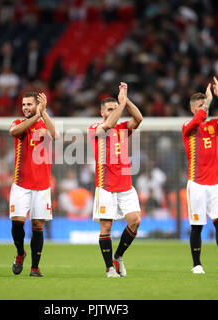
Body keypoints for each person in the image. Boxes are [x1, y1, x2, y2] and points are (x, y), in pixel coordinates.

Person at [182, 76, 218, 274]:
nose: (204, 108)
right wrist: (207, 101)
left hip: (217, 184)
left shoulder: (214, 126)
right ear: (193, 109)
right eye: (199, 106)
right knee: (197, 226)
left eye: (205, 105)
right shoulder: (187, 128)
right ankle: (196, 264)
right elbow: (198, 118)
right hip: (197, 184)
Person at [88, 82, 143, 278]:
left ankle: (118, 257)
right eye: (109, 109)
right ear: (101, 112)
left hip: (125, 185)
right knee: (106, 227)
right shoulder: (96, 128)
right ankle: (109, 268)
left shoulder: (123, 128)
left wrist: (126, 101)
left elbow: (139, 118)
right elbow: (109, 124)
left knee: (135, 221)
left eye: (114, 108)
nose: (112, 112)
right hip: (105, 186)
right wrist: (120, 105)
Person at [9, 91, 59, 277]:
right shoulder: (18, 124)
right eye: (24, 105)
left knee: (38, 225)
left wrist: (43, 113)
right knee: (17, 223)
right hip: (21, 184)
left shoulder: (44, 125)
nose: (25, 108)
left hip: (42, 185)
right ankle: (20, 252)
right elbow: (14, 132)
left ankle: (35, 267)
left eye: (29, 104)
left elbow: (56, 135)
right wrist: (37, 114)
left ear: (37, 105)